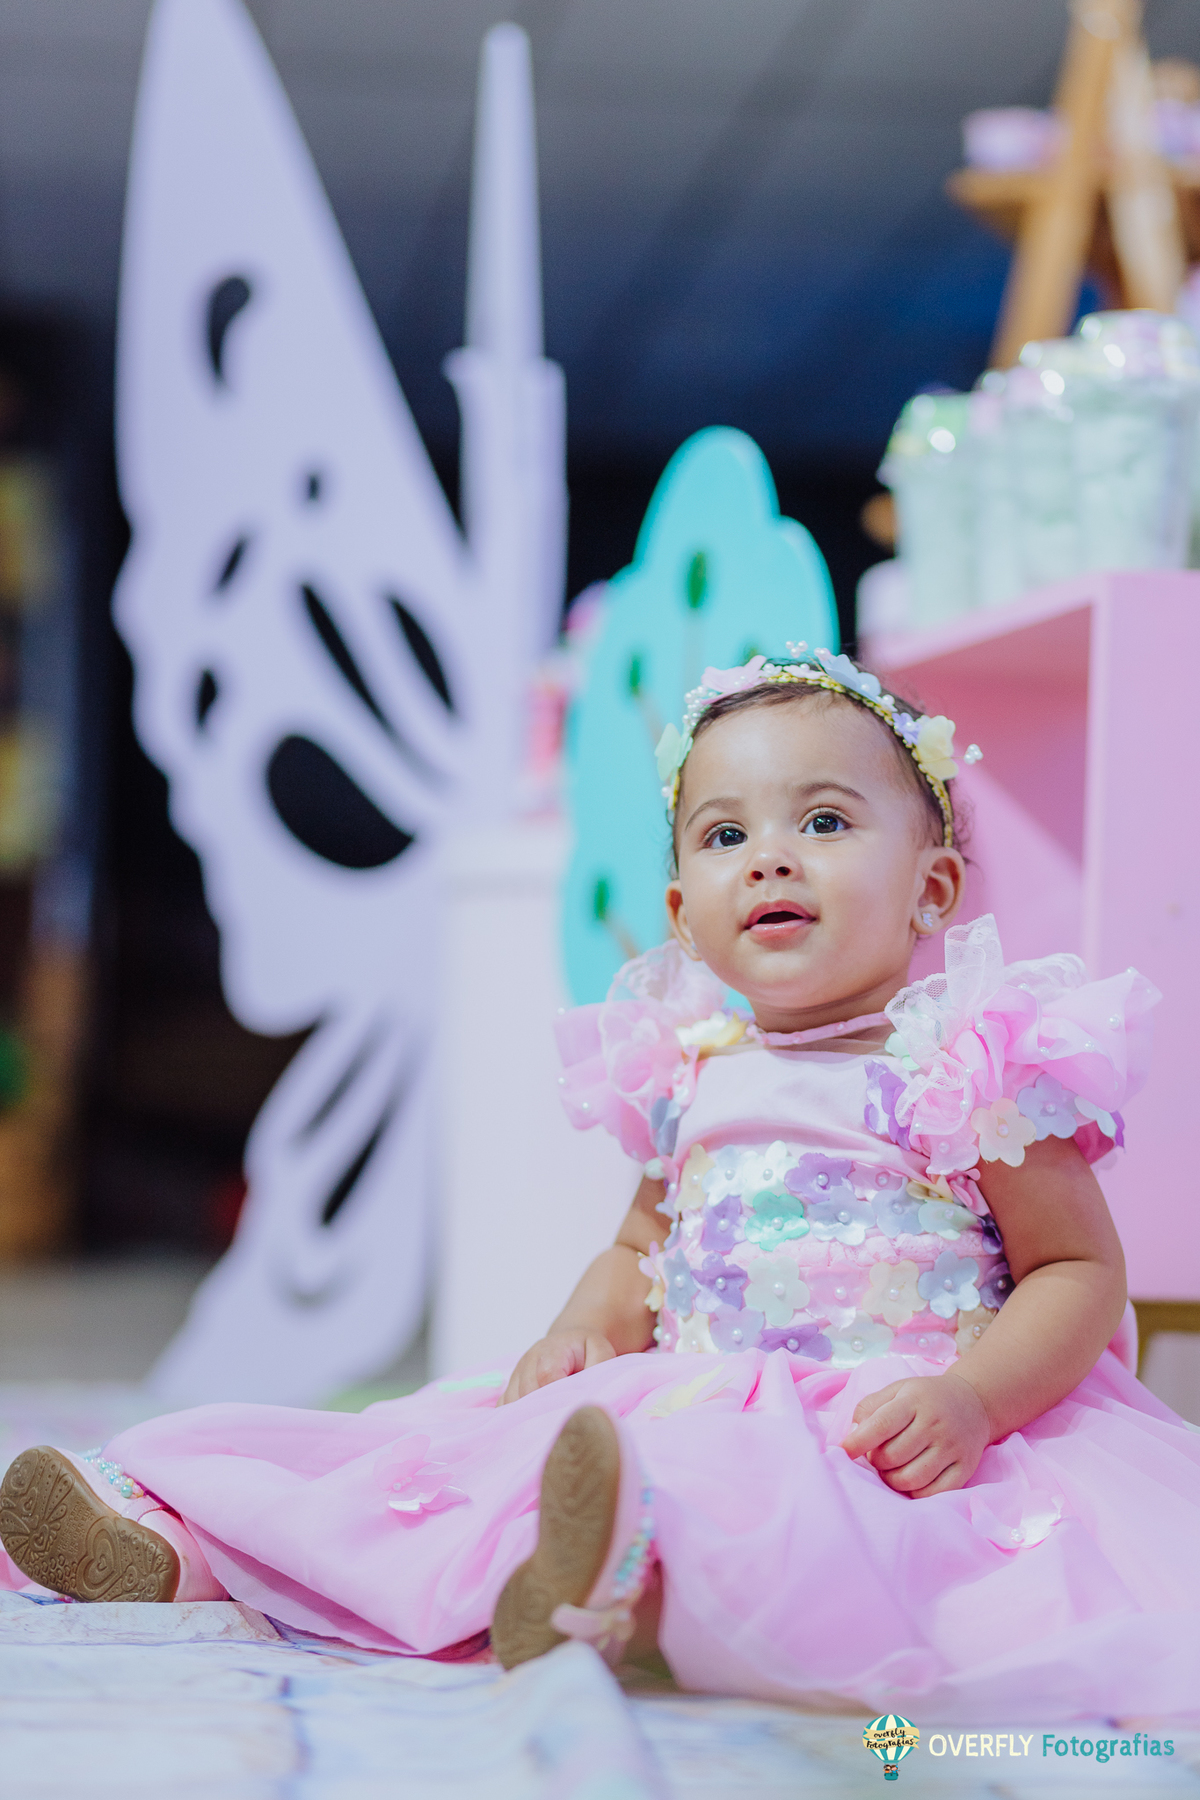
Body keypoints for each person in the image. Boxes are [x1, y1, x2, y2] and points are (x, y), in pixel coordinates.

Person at [3, 645, 1197, 1722]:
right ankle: (183, 1546)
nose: (771, 854)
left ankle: (605, 1595)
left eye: (825, 822)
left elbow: (1079, 1270)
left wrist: (975, 1402)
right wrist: (586, 1324)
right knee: (449, 1466)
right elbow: (641, 1251)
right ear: (685, 913)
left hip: (884, 1427)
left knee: (797, 1536)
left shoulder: (966, 1060)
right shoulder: (690, 1071)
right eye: (726, 837)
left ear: (933, 890)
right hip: (700, 1395)